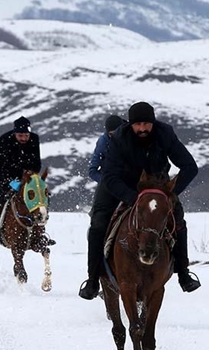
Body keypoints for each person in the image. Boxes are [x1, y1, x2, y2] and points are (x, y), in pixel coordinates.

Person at [79, 101, 202, 300]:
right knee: (98, 224)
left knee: (178, 220)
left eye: (146, 124)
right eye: (138, 124)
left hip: (156, 188)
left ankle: (183, 274)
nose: (142, 128)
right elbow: (109, 176)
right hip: (121, 187)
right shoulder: (119, 137)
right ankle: (93, 280)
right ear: (131, 125)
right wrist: (132, 197)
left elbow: (190, 167)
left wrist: (170, 194)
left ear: (153, 123)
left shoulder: (165, 134)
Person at [0, 116, 42, 253]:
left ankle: (40, 234)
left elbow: (36, 164)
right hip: (4, 179)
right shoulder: (4, 140)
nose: (23, 138)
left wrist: (28, 176)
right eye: (20, 135)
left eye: (26, 135)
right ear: (14, 133)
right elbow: (0, 167)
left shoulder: (34, 139)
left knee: (40, 199)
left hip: (26, 179)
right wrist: (12, 183)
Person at [88, 114, 125, 184]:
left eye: (118, 133)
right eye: (111, 135)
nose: (115, 137)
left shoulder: (133, 135)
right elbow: (92, 171)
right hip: (111, 180)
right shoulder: (103, 143)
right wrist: (108, 181)